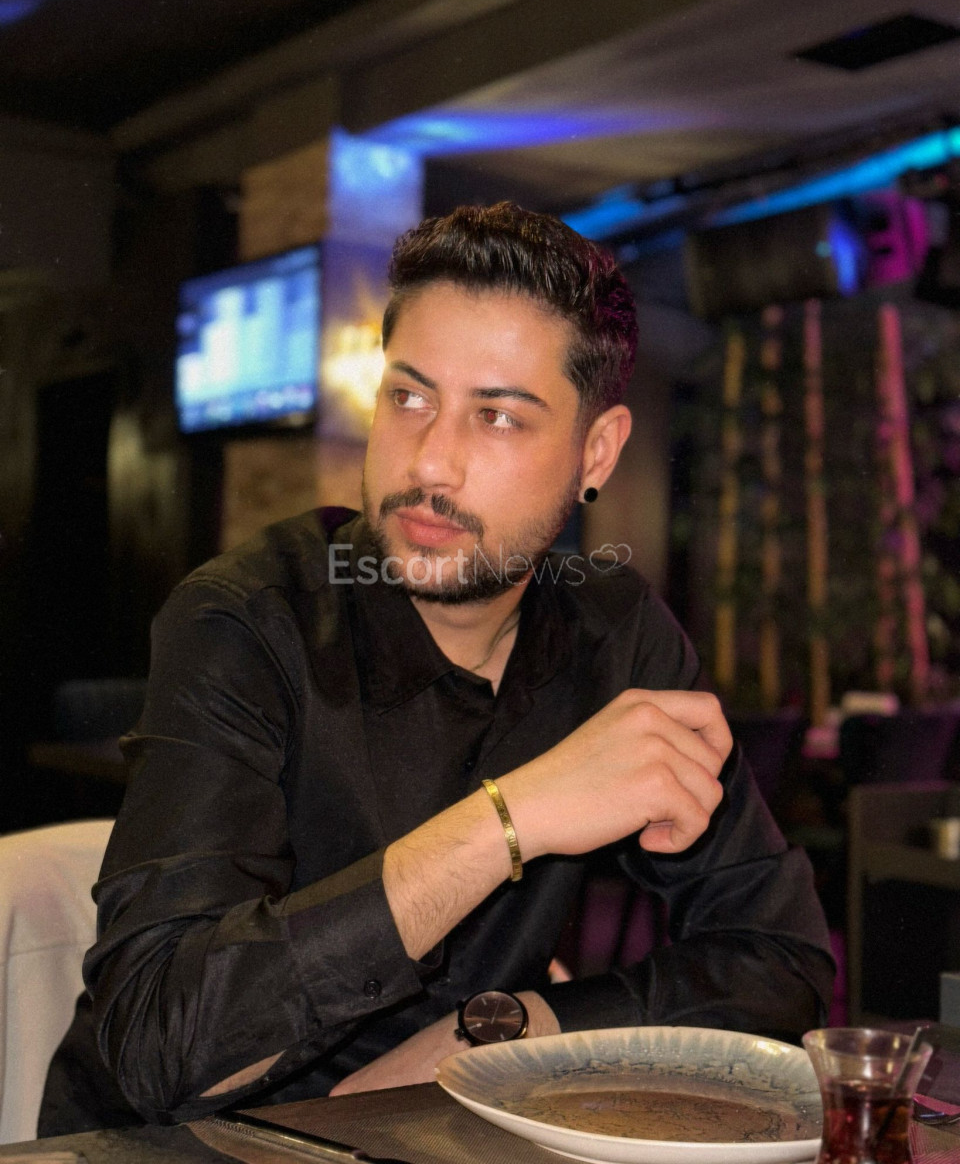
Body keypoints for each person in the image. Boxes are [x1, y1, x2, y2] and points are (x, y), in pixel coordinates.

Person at [40, 203, 834, 1135]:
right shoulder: (249, 620)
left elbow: (782, 960)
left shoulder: (616, 638)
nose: (431, 463)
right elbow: (154, 1048)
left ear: (597, 451)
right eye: (409, 398)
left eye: (497, 417)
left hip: (446, 1129)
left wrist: (502, 1029)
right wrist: (512, 818)